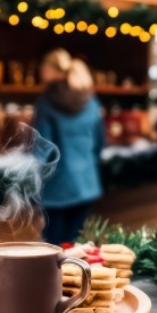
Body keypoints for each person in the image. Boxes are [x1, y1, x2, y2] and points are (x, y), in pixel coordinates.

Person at [33, 48, 105, 245]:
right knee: (77, 247)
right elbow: (99, 144)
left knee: (53, 250)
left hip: (58, 188)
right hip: (86, 184)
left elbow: (43, 149)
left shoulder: (47, 102)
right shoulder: (90, 101)